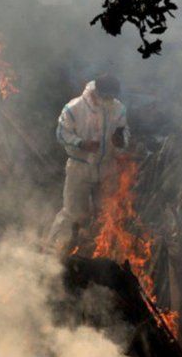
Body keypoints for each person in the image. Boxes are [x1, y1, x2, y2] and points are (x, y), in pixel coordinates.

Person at [48, 74, 130, 252]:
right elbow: (62, 134)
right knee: (73, 212)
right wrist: (80, 143)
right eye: (107, 96)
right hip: (80, 167)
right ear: (96, 92)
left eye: (113, 96)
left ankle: (97, 250)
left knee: (106, 213)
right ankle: (54, 249)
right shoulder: (74, 108)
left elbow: (125, 133)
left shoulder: (118, 109)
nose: (110, 100)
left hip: (107, 168)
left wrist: (121, 140)